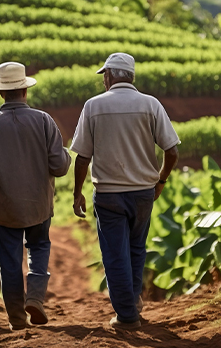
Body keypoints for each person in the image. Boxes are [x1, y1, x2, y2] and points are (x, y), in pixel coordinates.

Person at [70, 53, 179, 330]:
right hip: (143, 192)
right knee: (136, 250)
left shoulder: (93, 106)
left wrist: (77, 192)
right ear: (130, 76)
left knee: (115, 255)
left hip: (108, 195)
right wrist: (161, 180)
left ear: (109, 76)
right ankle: (132, 305)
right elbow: (172, 150)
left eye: (104, 76)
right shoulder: (150, 104)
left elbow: (82, 157)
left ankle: (127, 316)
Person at [0, 62, 71, 331]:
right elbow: (59, 167)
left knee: (10, 262)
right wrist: (68, 155)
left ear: (2, 93)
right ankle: (35, 297)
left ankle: (17, 319)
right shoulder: (44, 121)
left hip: (4, 209)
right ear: (25, 90)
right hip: (39, 205)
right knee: (38, 249)